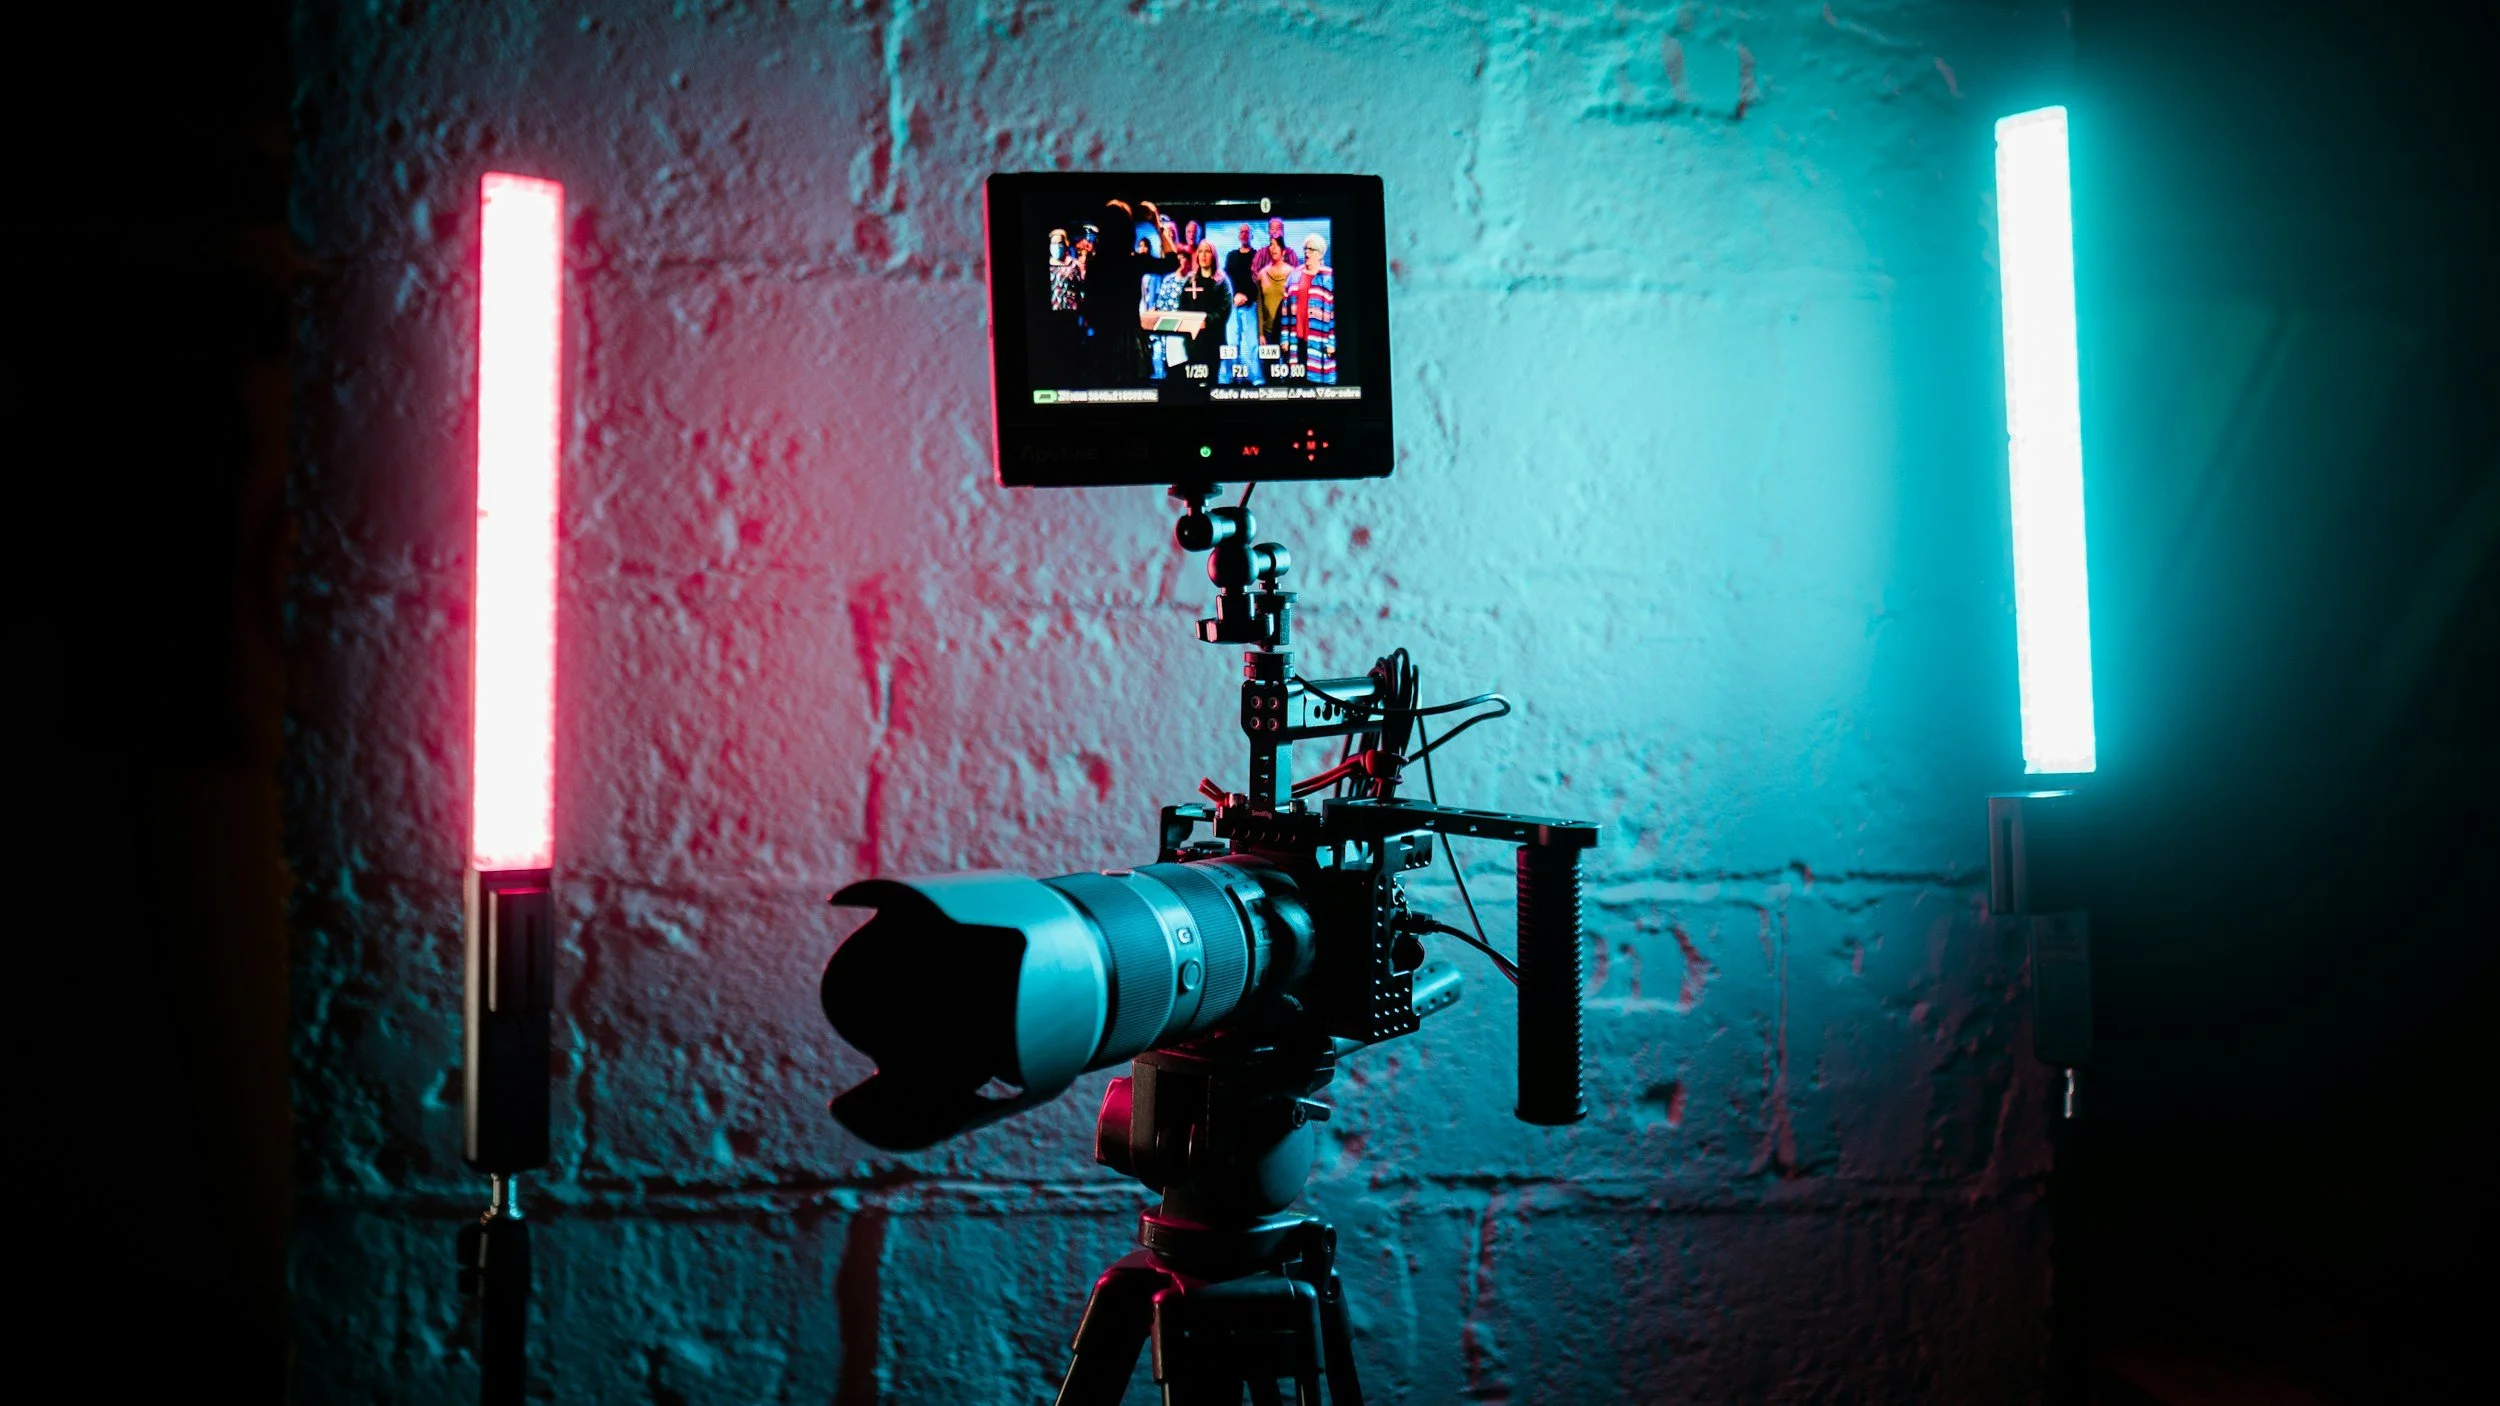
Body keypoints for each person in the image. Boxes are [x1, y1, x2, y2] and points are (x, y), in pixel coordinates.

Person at [1079, 198, 1177, 384]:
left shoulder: (1095, 265)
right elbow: (1172, 262)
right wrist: (1158, 225)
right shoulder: (1134, 262)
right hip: (1130, 343)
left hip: (1103, 342)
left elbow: (1089, 307)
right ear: (1128, 231)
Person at [1280, 233, 1335, 383]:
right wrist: (1284, 339)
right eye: (1305, 249)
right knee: (1297, 383)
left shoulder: (1329, 278)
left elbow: (1334, 315)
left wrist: (1332, 343)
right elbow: (1285, 312)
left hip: (1320, 342)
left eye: (1311, 249)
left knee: (1317, 384)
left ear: (1320, 254)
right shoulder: (1293, 276)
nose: (1306, 252)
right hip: (1297, 341)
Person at [1174, 240, 1233, 381]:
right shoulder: (1190, 280)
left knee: (1211, 380)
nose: (1203, 255)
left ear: (1213, 255)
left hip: (1214, 339)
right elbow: (1182, 306)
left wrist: (1207, 321)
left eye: (1207, 251)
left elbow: (1225, 309)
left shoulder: (1222, 281)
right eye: (1200, 251)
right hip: (1193, 341)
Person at [1220, 225, 1263, 384]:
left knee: (1253, 344)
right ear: (1239, 236)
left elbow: (1258, 281)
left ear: (1251, 236)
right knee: (1231, 344)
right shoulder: (1231, 256)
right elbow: (1227, 279)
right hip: (1233, 306)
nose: (1244, 234)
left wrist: (1246, 296)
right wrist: (1234, 297)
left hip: (1250, 305)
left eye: (1247, 232)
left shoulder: (1257, 255)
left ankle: (1256, 379)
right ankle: (1231, 378)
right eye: (1242, 232)